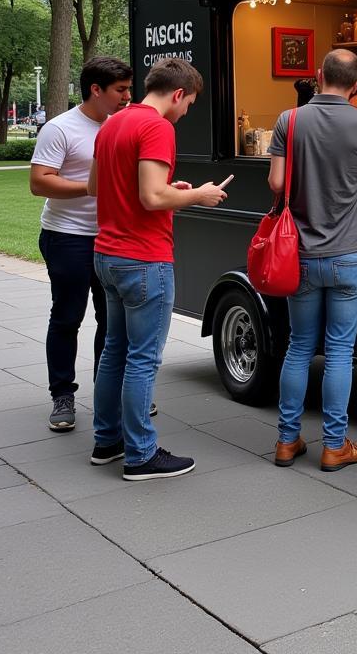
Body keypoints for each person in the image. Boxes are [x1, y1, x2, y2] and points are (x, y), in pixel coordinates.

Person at [87, 58, 226, 481]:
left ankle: (106, 441)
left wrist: (173, 190)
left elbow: (97, 186)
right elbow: (150, 197)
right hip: (143, 259)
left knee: (115, 351)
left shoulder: (112, 123)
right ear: (178, 93)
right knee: (143, 359)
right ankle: (141, 455)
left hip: (106, 255)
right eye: (189, 104)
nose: (186, 113)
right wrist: (198, 194)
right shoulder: (157, 127)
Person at [269, 48, 357, 472]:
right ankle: (335, 445)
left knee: (299, 346)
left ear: (318, 75)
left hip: (299, 253)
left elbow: (276, 181)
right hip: (349, 253)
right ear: (356, 85)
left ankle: (287, 441)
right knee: (340, 351)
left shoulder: (290, 120)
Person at [30, 57, 133, 431]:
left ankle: (108, 393)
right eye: (120, 90)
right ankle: (62, 395)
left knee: (112, 321)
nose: (127, 96)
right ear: (96, 90)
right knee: (67, 317)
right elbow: (40, 182)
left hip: (111, 237)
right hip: (67, 237)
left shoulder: (121, 125)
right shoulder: (60, 129)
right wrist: (89, 188)